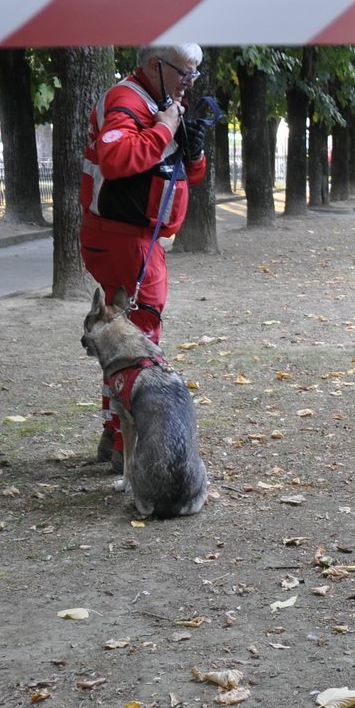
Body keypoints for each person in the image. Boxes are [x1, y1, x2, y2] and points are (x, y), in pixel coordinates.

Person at [79, 43, 209, 467]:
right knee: (137, 339)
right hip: (124, 237)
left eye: (194, 75)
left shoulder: (160, 101)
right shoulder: (128, 99)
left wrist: (194, 150)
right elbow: (117, 159)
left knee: (129, 335)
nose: (190, 83)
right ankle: (123, 442)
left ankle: (114, 435)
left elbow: (180, 171)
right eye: (185, 73)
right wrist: (167, 128)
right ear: (156, 65)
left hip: (136, 236)